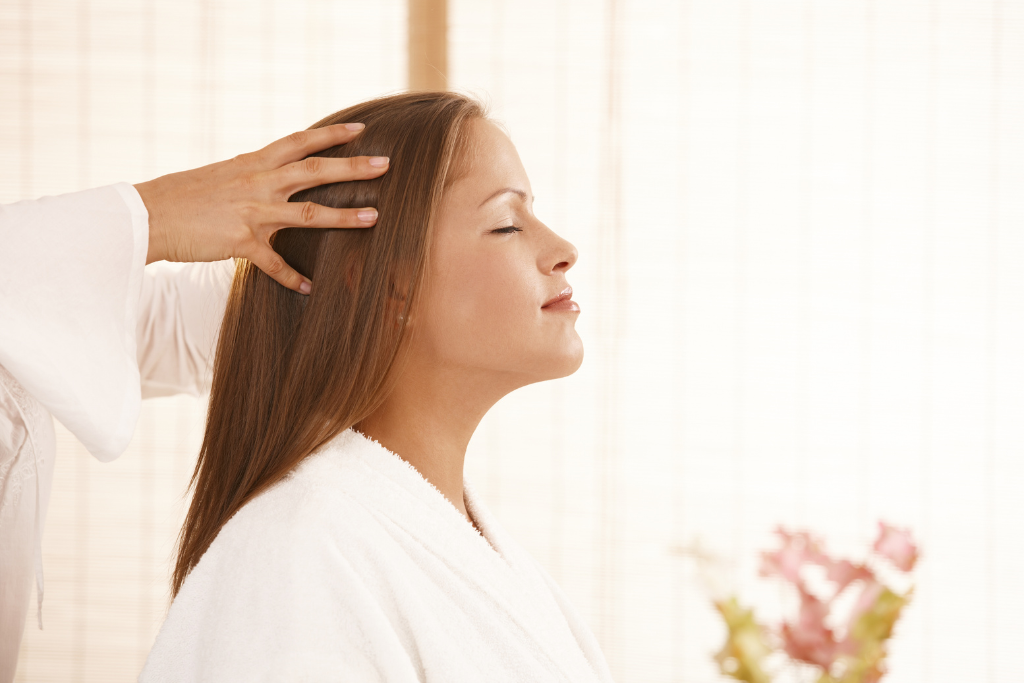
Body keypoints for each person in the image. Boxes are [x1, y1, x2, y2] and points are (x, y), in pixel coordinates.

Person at [140, 91, 611, 682]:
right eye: (507, 223)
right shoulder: (300, 559)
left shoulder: (459, 548)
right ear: (387, 285)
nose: (564, 251)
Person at [0, 123, 389, 681]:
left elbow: (186, 328)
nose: (564, 253)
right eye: (502, 225)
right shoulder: (301, 547)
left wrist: (313, 255)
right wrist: (152, 215)